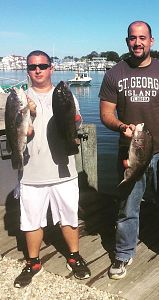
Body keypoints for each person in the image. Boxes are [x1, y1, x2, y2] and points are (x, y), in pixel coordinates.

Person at [99, 20, 159, 280]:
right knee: (127, 205)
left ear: (152, 41)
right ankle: (123, 252)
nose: (137, 42)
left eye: (142, 38)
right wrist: (121, 127)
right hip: (130, 151)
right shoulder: (114, 74)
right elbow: (106, 113)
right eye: (132, 38)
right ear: (127, 41)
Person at [13, 50, 91, 288]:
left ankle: (74, 256)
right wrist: (27, 118)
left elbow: (74, 120)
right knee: (31, 221)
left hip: (64, 171)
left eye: (43, 66)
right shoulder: (19, 98)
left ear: (51, 69)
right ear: (27, 70)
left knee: (69, 217)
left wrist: (75, 123)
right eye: (33, 66)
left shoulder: (65, 94)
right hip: (30, 172)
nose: (38, 70)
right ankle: (33, 261)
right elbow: (15, 130)